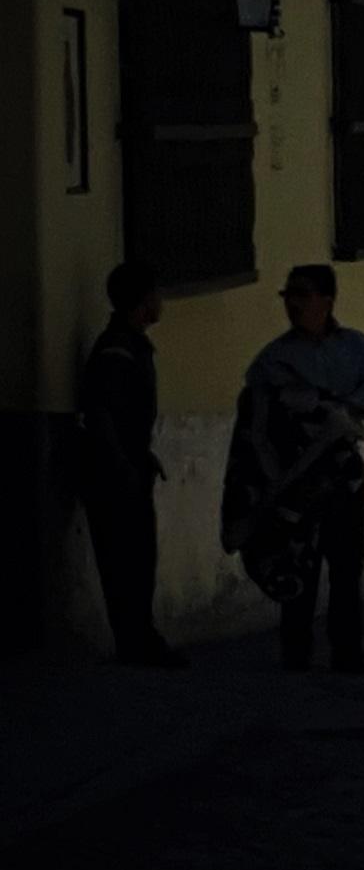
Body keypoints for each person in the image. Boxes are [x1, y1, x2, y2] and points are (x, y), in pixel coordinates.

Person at [228, 265, 364, 673]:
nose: (293, 304)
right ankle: (296, 652)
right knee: (298, 565)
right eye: (288, 295)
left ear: (327, 300)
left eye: (302, 294)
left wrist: (337, 408)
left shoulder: (356, 348)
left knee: (347, 566)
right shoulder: (274, 359)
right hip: (296, 478)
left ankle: (347, 651)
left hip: (343, 471)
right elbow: (258, 418)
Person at [79, 262, 184, 667]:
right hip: (115, 473)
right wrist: (124, 462)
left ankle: (139, 639)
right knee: (129, 559)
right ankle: (136, 642)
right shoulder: (119, 349)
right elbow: (102, 410)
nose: (161, 302)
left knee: (134, 558)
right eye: (156, 295)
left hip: (124, 465)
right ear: (144, 302)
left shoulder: (125, 345)